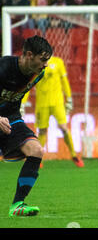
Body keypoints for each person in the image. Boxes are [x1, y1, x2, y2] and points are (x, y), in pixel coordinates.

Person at [0, 35, 53, 217]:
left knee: (36, 150)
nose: (45, 65)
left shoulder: (38, 74)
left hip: (11, 117)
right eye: (43, 60)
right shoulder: (3, 68)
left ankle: (18, 205)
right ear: (29, 55)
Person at [21, 56, 84, 168]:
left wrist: (69, 98)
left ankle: (74, 155)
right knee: (42, 131)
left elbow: (64, 81)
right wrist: (23, 102)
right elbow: (30, 85)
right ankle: (37, 158)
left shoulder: (58, 62)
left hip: (57, 102)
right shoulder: (36, 64)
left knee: (64, 128)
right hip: (42, 103)